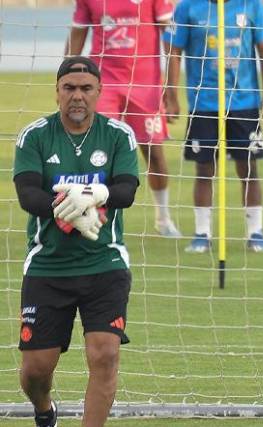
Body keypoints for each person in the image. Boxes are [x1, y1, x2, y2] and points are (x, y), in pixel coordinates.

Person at [13, 56, 140, 427]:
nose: (77, 96)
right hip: (48, 266)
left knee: (104, 356)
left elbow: (127, 191)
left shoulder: (118, 135)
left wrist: (96, 194)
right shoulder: (34, 136)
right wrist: (68, 206)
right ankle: (43, 409)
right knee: (36, 370)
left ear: (99, 92)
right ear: (57, 93)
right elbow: (27, 195)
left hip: (105, 264)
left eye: (86, 88)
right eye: (69, 88)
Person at [164, 0, 263, 253]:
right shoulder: (187, 7)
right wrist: (171, 95)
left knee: (248, 167)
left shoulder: (252, 5)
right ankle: (202, 234)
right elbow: (173, 51)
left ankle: (255, 232)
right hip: (203, 102)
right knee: (204, 168)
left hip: (244, 102)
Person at [66, 0, 181, 237]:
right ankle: (93, 217)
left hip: (145, 86)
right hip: (103, 85)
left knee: (154, 154)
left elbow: (170, 41)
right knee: (97, 153)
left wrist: (170, 91)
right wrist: (65, 80)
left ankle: (164, 218)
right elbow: (77, 34)